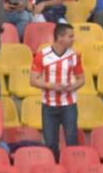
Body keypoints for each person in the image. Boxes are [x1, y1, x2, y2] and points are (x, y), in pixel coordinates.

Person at [30, 21, 83, 159]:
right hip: (49, 105)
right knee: (51, 143)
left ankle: (73, 167)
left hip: (69, 104)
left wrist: (72, 87)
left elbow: (81, 79)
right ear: (60, 37)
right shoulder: (42, 55)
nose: (73, 39)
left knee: (72, 140)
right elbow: (33, 80)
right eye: (70, 36)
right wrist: (50, 86)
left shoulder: (75, 55)